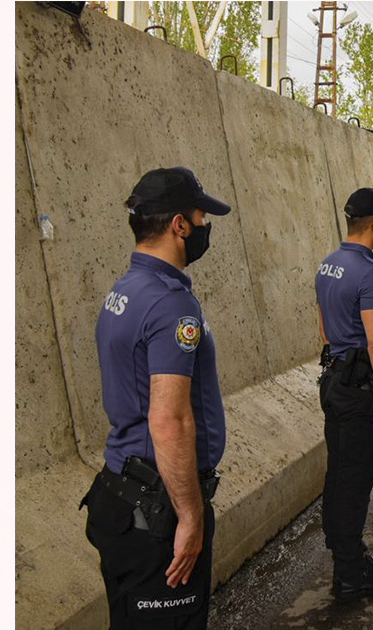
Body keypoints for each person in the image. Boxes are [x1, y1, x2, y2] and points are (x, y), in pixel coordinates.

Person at [84, 166, 231, 629]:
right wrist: (189, 517)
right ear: (179, 225)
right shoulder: (171, 303)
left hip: (122, 495)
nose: (207, 227)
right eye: (202, 216)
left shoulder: (125, 290)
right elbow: (169, 420)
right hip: (156, 513)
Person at [314, 187, 373, 603]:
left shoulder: (327, 265)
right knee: (354, 481)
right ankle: (350, 576)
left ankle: (350, 556)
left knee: (340, 474)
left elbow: (324, 328)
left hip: (334, 377)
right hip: (360, 386)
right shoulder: (370, 273)